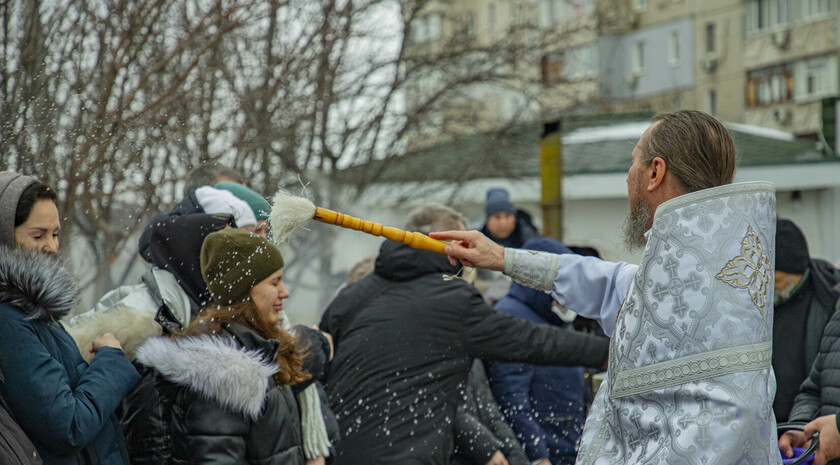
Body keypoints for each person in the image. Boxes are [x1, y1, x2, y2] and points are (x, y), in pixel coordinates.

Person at [431, 110, 780, 464]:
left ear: (655, 173)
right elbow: (605, 281)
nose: (628, 175)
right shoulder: (702, 270)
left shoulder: (692, 275)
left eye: (634, 162)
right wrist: (503, 257)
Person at [320, 203, 609, 465]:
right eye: (465, 246)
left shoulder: (349, 299)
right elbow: (533, 341)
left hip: (339, 453)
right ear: (449, 249)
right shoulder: (451, 301)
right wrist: (608, 352)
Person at [134, 228, 322, 464]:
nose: (285, 292)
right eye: (275, 282)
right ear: (245, 290)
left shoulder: (260, 352)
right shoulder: (222, 374)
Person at [0, 171, 140, 465]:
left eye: (55, 234)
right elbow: (68, 426)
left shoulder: (34, 312)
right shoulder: (9, 319)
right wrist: (110, 361)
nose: (52, 246)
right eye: (38, 235)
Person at [486, 237, 589, 465]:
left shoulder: (555, 316)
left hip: (569, 449)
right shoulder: (511, 318)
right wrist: (537, 455)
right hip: (544, 454)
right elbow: (511, 396)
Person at [772, 218, 840, 423]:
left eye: (776, 280)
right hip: (795, 430)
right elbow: (813, 388)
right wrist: (798, 427)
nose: (770, 288)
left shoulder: (827, 300)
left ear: (795, 274)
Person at [453, 361, 529, 465]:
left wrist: (516, 458)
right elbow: (447, 411)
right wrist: (487, 450)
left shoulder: (473, 359)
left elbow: (491, 414)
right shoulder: (434, 353)